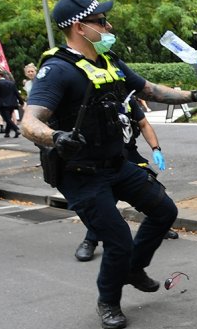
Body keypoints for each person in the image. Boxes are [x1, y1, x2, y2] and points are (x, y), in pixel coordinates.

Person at [21, 0, 197, 329]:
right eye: (101, 21)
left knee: (164, 211)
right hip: (81, 174)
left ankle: (133, 268)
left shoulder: (108, 61)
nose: (108, 25)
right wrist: (56, 137)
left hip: (117, 163)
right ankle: (109, 300)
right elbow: (29, 122)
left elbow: (149, 90)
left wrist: (195, 96)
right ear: (80, 27)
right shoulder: (57, 70)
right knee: (117, 240)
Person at [74, 97, 178, 262]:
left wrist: (156, 149)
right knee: (106, 200)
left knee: (151, 190)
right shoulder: (92, 101)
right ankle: (90, 240)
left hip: (130, 154)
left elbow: (143, 124)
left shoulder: (128, 100)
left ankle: (159, 225)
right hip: (107, 159)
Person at [0, 70, 24, 138]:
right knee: (8, 118)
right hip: (12, 103)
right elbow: (16, 93)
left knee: (7, 119)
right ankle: (7, 133)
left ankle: (16, 129)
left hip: (3, 104)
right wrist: (21, 102)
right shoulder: (11, 83)